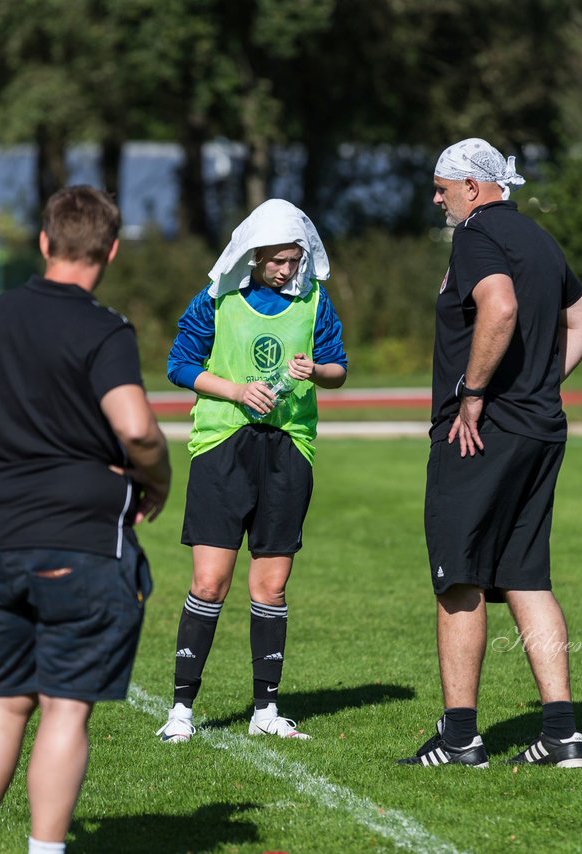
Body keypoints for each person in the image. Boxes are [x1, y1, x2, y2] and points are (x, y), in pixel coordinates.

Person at [0, 186, 169, 854]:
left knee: (4, 699)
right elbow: (136, 427)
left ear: (44, 242)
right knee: (64, 707)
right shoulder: (105, 329)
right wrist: (159, 479)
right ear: (111, 251)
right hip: (81, 542)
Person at [397, 138, 582, 769]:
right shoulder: (539, 237)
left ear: (474, 188)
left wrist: (475, 394)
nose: (437, 198)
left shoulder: (477, 234)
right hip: (540, 427)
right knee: (524, 575)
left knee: (458, 577)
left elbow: (500, 305)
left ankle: (460, 737)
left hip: (480, 433)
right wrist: (540, 382)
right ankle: (562, 734)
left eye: (442, 187)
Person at [155, 198, 348, 744]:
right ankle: (181, 710)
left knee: (272, 585)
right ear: (254, 255)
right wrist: (237, 390)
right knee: (210, 581)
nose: (287, 269)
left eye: (295, 259)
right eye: (278, 260)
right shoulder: (217, 298)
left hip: (290, 450)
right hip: (222, 447)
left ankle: (266, 710)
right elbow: (179, 365)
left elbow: (337, 369)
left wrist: (319, 371)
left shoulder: (315, 301)